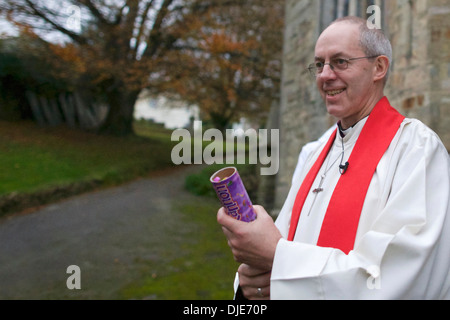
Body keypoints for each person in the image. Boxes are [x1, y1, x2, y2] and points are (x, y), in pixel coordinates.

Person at [217, 16, 450, 300]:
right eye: (319, 64)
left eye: (340, 62)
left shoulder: (416, 150)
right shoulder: (313, 152)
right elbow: (280, 245)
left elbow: (400, 279)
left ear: (379, 67)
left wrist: (279, 258)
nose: (325, 75)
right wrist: (252, 284)